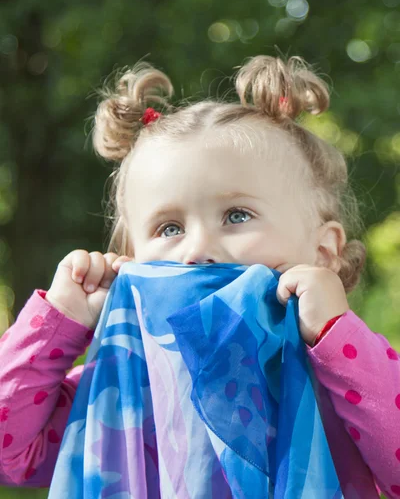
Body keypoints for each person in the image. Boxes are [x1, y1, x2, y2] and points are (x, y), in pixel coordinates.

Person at [0, 55, 399, 497]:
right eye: (168, 228)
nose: (197, 250)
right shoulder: (128, 381)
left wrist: (334, 336)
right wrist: (58, 321)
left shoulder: (345, 374)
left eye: (237, 215)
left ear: (323, 251)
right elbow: (9, 456)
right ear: (131, 260)